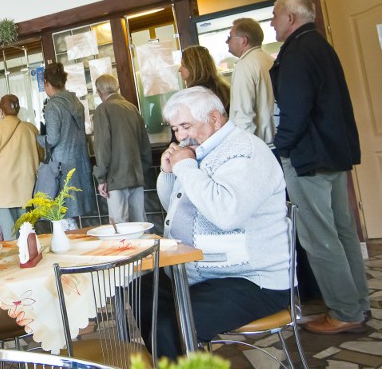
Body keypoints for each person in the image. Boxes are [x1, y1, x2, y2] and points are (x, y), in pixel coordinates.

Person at [140, 86, 290, 359]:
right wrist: (169, 172)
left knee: (171, 324)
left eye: (186, 126)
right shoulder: (204, 149)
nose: (180, 136)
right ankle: (175, 357)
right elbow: (174, 207)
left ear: (214, 118)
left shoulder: (244, 151)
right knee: (141, 289)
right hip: (204, 273)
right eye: (175, 129)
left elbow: (225, 213)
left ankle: (175, 349)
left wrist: (186, 166)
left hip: (252, 280)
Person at [270, 0, 370, 334]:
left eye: (275, 16)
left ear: (291, 18)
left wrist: (278, 150)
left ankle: (344, 311)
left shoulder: (296, 53)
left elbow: (295, 113)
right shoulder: (322, 46)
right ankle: (357, 304)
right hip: (335, 154)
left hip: (308, 158)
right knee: (343, 234)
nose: (272, 23)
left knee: (321, 239)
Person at [37, 62, 95, 225]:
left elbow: (52, 139)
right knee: (74, 214)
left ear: (46, 83)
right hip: (80, 162)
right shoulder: (75, 101)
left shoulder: (53, 105)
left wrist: (38, 138)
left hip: (62, 166)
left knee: (64, 217)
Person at [92, 74, 151, 223]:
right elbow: (145, 145)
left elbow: (103, 147)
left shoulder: (103, 110)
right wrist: (140, 170)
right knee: (140, 225)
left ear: (99, 92)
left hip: (115, 178)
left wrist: (101, 178)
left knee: (120, 228)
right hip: (136, 176)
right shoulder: (132, 108)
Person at [0, 94, 41, 240]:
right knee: (29, 236)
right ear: (18, 109)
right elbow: (41, 156)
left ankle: (15, 262)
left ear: (1, 111)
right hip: (27, 190)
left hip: (2, 193)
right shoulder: (31, 129)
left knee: (10, 237)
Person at [227, 18, 276, 146]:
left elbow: (244, 114)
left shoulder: (244, 65)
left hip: (260, 144)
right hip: (276, 139)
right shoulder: (269, 59)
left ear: (243, 40)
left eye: (230, 37)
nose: (227, 41)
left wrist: (244, 148)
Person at [179, 45, 231, 113]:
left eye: (183, 65)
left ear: (194, 67)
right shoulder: (222, 88)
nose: (179, 69)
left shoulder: (196, 94)